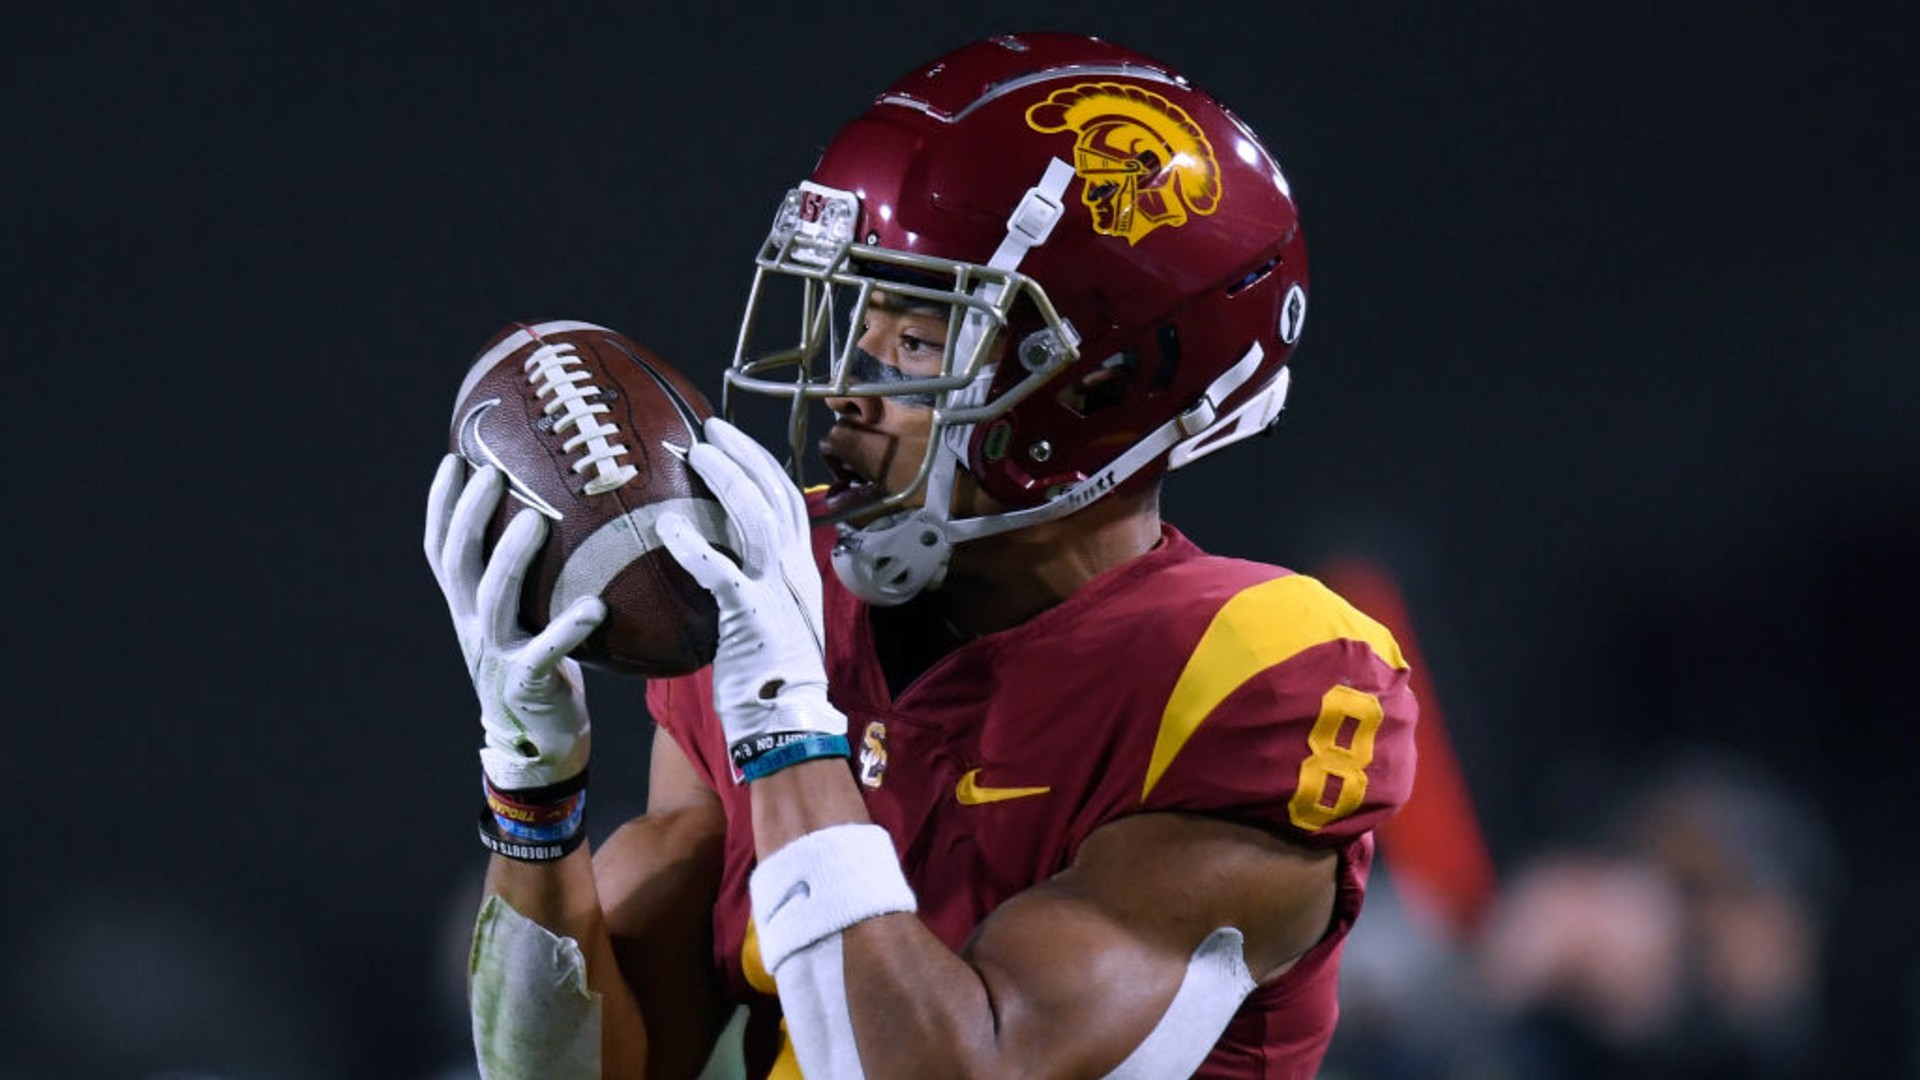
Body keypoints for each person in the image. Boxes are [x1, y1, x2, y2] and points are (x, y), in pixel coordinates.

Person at [424, 32, 1417, 1080]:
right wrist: (531, 789)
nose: (849, 383)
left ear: (1100, 382)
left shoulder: (1256, 677)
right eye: (860, 313)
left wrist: (787, 726)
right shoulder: (782, 590)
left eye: (917, 339)